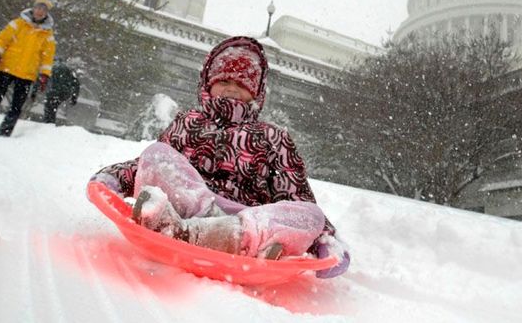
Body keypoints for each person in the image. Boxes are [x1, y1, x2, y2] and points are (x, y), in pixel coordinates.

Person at [90, 36, 350, 278]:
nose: (231, 90)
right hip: (189, 204)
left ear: (256, 93)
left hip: (246, 219)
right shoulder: (187, 122)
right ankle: (205, 230)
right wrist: (112, 178)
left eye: (241, 84)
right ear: (209, 84)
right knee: (158, 155)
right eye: (224, 81)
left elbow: (296, 195)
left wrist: (325, 240)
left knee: (310, 215)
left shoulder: (273, 137)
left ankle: (196, 232)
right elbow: (145, 166)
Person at [0, 0, 56, 136]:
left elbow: (47, 57)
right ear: (34, 8)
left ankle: (5, 132)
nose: (40, 11)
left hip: (27, 74)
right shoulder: (17, 24)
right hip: (7, 67)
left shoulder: (47, 35)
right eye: (38, 7)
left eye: (43, 10)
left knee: (16, 106)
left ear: (46, 13)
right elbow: (2, 40)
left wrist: (45, 74)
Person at [42, 58, 80, 124]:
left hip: (53, 92)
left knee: (49, 108)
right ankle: (49, 123)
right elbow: (76, 83)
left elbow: (44, 79)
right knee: (53, 106)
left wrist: (35, 90)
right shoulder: (68, 69)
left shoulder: (51, 67)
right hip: (64, 93)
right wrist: (74, 96)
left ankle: (48, 123)